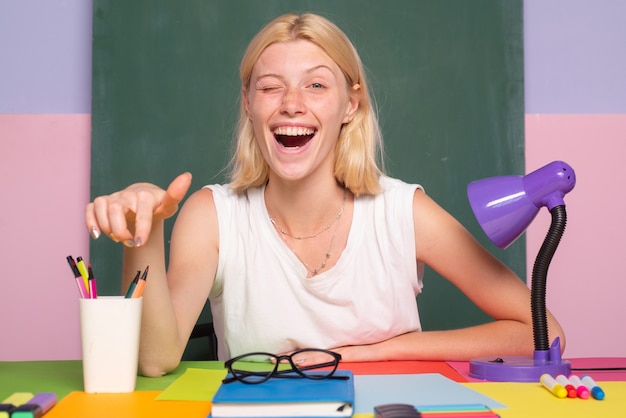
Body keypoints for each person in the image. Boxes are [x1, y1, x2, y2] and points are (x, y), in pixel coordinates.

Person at [85, 12, 565, 377]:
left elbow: (545, 335)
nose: (292, 104)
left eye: (316, 85)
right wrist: (140, 234)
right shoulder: (212, 215)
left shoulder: (403, 212)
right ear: (249, 103)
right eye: (270, 88)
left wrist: (363, 354)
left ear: (350, 105)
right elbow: (155, 360)